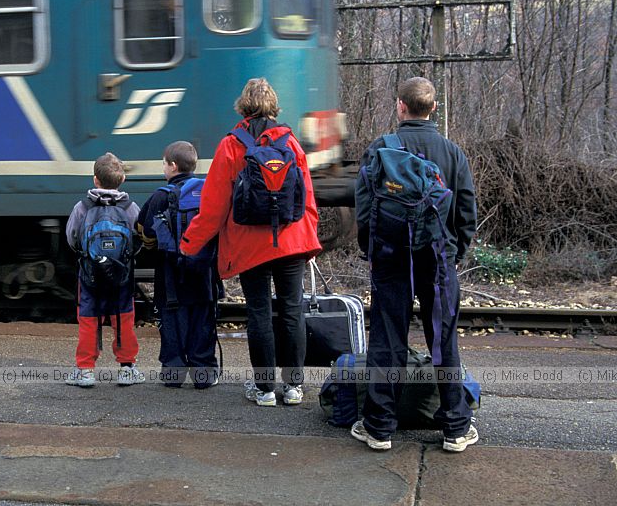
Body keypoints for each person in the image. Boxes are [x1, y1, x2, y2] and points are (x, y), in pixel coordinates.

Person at [351, 76, 478, 452]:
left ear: (399, 106)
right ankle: (455, 428)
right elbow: (466, 212)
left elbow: (363, 209)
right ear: (433, 108)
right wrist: (454, 252)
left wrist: (373, 251)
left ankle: (378, 427)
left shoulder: (380, 150)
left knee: (388, 339)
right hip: (438, 259)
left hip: (391, 258)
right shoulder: (453, 153)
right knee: (443, 339)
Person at [180, 78, 321, 406]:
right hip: (291, 241)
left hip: (249, 245)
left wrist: (190, 244)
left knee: (258, 311)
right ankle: (294, 387)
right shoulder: (291, 143)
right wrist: (310, 241)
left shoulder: (231, 145)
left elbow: (214, 207)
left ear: (242, 107)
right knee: (291, 309)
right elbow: (307, 197)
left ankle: (265, 389)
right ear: (275, 106)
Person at [136, 141, 219, 389]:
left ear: (172, 166)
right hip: (204, 274)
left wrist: (156, 248)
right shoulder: (208, 192)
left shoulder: (161, 195)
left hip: (171, 275)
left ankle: (173, 373)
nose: (163, 168)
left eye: (163, 163)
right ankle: (203, 374)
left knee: (172, 322)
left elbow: (144, 230)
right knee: (203, 321)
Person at [64, 152, 144, 388]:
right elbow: (138, 239)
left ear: (95, 179)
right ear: (122, 181)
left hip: (90, 274)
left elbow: (72, 238)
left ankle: (86, 370)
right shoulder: (130, 207)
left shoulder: (82, 207)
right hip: (122, 275)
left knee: (88, 319)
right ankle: (127, 368)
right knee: (124, 318)